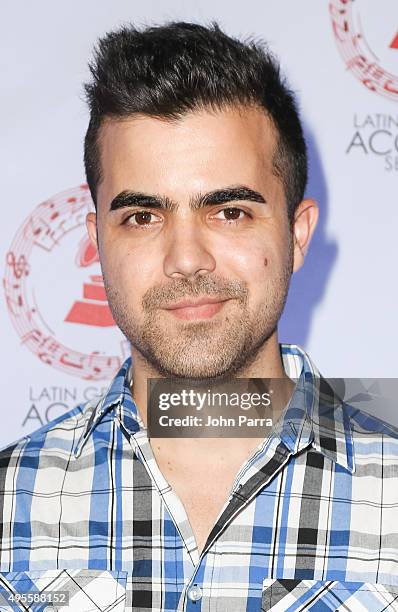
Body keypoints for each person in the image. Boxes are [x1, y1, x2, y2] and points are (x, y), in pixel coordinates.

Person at [1, 20, 398, 612]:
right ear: (98, 243)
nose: (186, 260)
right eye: (142, 217)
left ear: (296, 235)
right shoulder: (9, 503)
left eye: (230, 212)